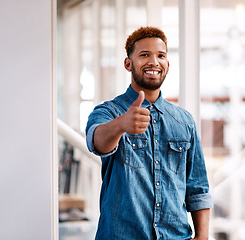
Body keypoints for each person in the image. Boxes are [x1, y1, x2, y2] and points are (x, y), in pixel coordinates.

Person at [86, 26, 213, 240]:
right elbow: (96, 141)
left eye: (160, 55)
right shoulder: (108, 112)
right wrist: (120, 125)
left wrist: (202, 236)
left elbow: (197, 187)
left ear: (167, 65)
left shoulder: (184, 121)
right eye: (144, 55)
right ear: (128, 64)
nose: (154, 62)